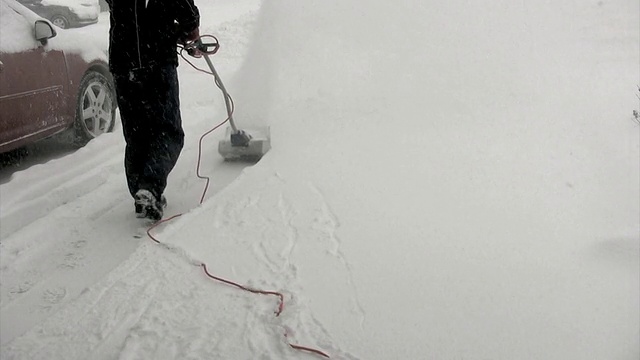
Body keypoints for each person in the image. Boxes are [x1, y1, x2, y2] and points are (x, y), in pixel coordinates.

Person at [105, 0, 200, 221]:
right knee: (168, 131)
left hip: (123, 62)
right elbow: (184, 9)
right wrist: (189, 27)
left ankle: (142, 192)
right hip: (156, 62)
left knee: (137, 134)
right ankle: (150, 186)